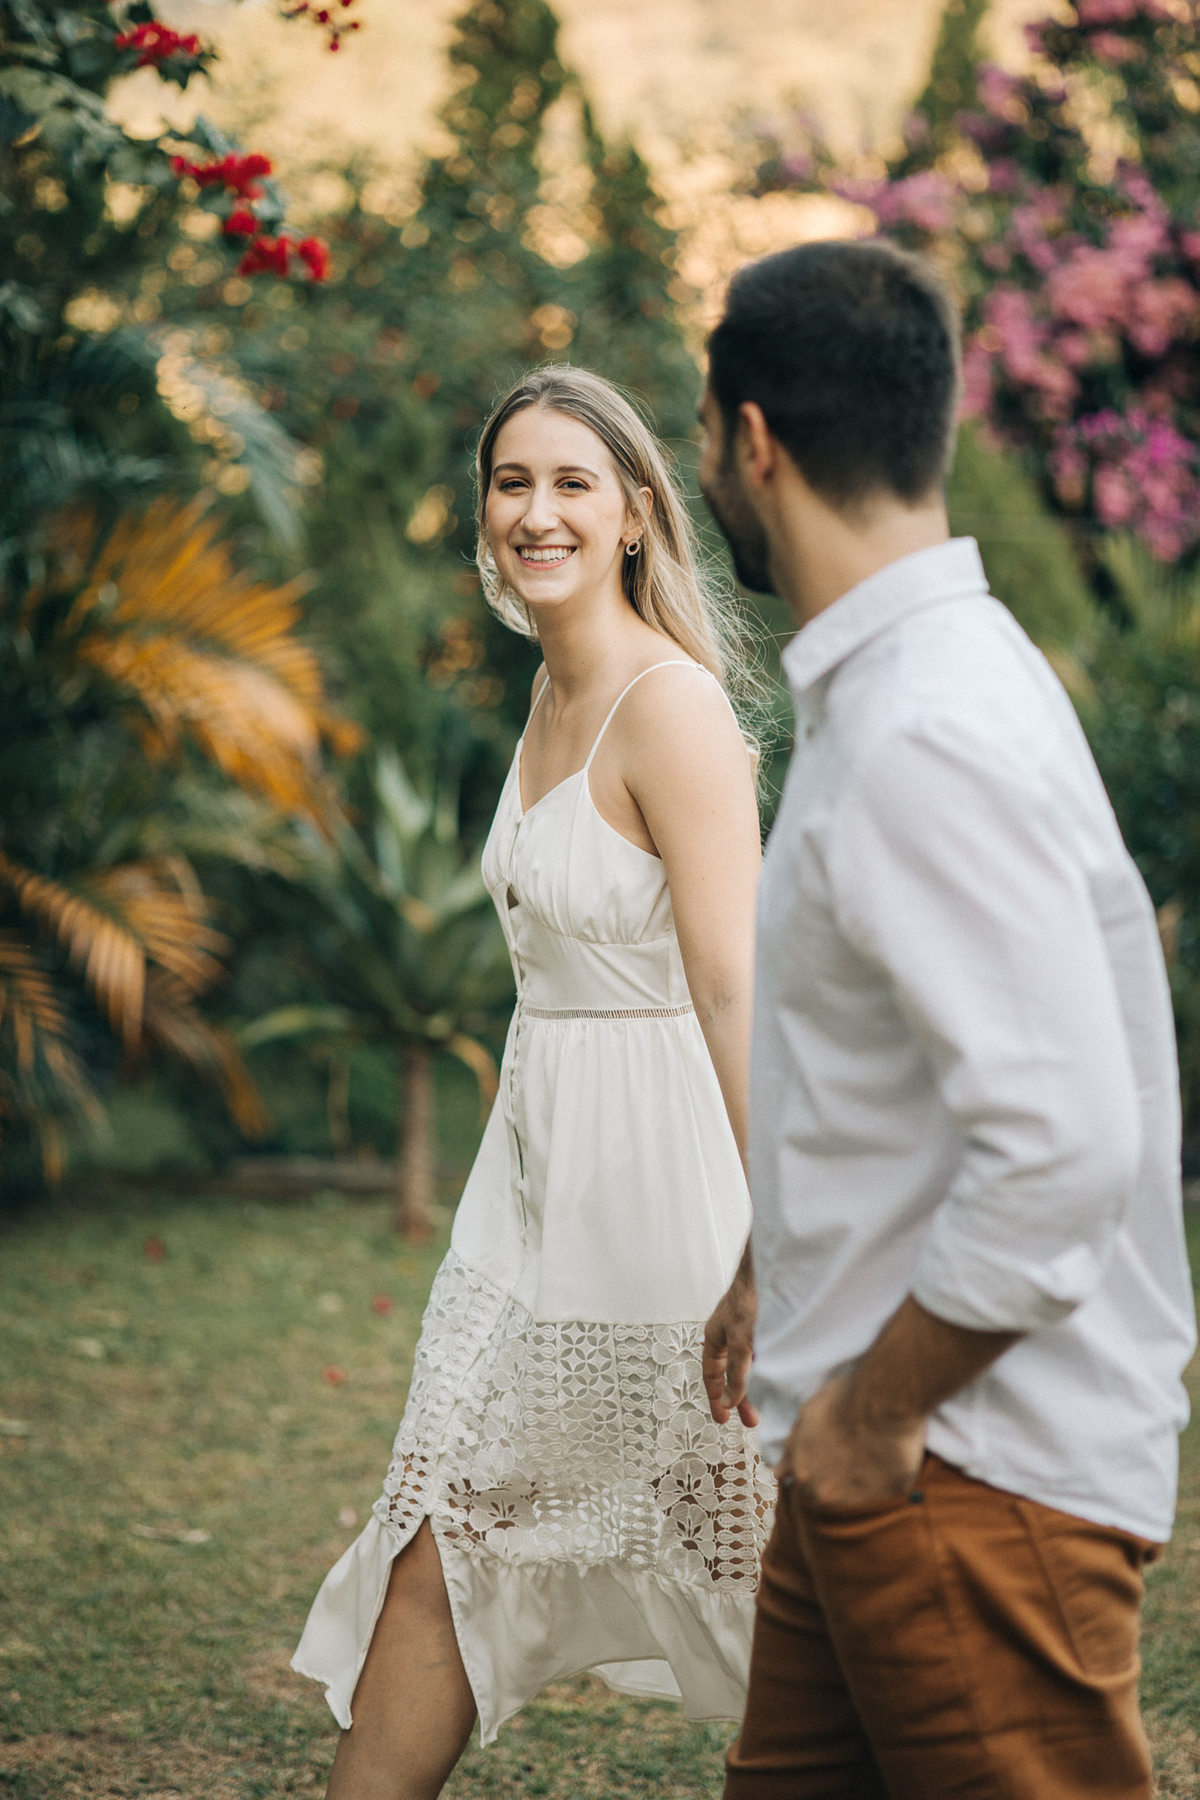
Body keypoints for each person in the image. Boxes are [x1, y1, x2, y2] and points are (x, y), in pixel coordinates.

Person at [697, 238, 1196, 1800]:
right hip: (874, 1461)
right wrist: (772, 1260)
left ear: (753, 439)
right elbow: (915, 1067)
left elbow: (1061, 1144)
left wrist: (870, 1423)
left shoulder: (925, 729)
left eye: (707, 432)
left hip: (965, 1475)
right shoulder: (927, 684)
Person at [292, 365, 774, 1800]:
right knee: (442, 1533)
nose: (538, 511)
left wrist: (778, 1237)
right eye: (514, 482)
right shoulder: (551, 695)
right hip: (533, 1208)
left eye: (574, 483)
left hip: (676, 1208)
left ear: (635, 514)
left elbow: (737, 985)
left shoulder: (667, 706)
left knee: (775, 1594)